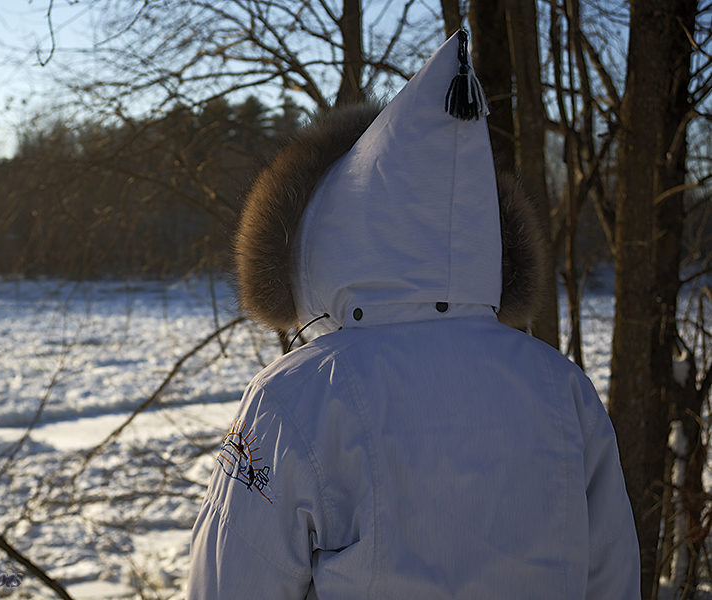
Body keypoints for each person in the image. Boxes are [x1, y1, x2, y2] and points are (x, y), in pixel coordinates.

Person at [186, 30, 639, 599]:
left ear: (315, 236)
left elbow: (229, 584)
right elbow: (613, 579)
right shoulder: (564, 389)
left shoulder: (296, 396)